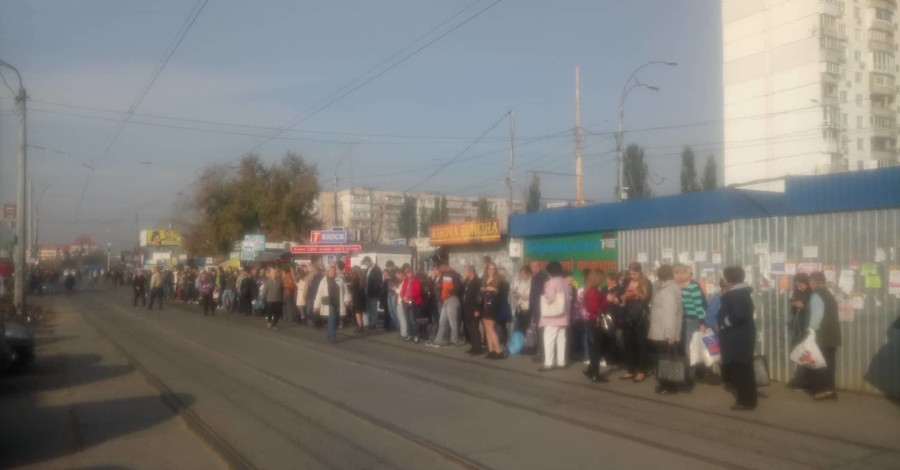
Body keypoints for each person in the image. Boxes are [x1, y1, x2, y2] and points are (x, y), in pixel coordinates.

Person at [718, 266, 757, 411]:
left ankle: (746, 401)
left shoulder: (735, 294)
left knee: (741, 369)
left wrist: (724, 323)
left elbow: (738, 314)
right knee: (743, 368)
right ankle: (748, 399)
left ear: (729, 279)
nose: (723, 279)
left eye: (724, 276)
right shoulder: (740, 292)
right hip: (741, 336)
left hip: (737, 337)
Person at [649, 265, 683, 395]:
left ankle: (669, 385)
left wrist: (670, 334)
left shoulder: (668, 290)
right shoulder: (669, 287)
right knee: (666, 358)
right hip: (665, 331)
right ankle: (666, 382)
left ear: (661, 276)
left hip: (665, 332)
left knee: (666, 359)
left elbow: (670, 313)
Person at [807, 271, 841, 400]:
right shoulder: (828, 294)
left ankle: (822, 390)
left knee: (819, 362)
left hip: (823, 335)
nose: (809, 284)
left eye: (810, 281)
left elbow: (817, 316)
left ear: (815, 282)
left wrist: (810, 329)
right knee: (829, 362)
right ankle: (830, 389)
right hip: (833, 335)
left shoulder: (816, 295)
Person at [674, 264, 706, 386]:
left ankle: (690, 377)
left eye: (676, 273)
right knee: (683, 348)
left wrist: (702, 323)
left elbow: (699, 306)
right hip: (681, 320)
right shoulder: (677, 287)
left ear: (681, 274)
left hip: (692, 321)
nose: (674, 276)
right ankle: (685, 374)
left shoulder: (693, 287)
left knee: (690, 349)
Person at [620, 262, 652, 382]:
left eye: (635, 273)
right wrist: (623, 297)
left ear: (640, 272)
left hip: (640, 316)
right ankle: (630, 369)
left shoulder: (646, 282)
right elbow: (620, 296)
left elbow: (647, 299)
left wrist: (635, 294)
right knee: (628, 343)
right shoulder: (626, 282)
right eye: (630, 273)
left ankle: (642, 370)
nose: (632, 276)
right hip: (627, 315)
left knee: (641, 343)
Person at [538, 261, 570, 371]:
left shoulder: (550, 282)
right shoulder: (565, 282)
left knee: (549, 339)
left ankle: (548, 363)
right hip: (564, 315)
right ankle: (561, 362)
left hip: (552, 316)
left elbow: (550, 298)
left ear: (549, 271)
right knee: (561, 339)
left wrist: (545, 294)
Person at [786, 273, 813, 391]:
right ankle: (799, 378)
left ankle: (804, 380)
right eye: (797, 286)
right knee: (798, 353)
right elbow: (793, 302)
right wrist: (794, 303)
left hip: (806, 327)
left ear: (806, 283)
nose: (799, 288)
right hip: (798, 328)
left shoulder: (811, 293)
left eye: (801, 285)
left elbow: (810, 308)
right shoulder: (797, 293)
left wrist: (802, 306)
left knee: (806, 353)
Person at [583, 269, 609, 383]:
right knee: (596, 348)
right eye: (601, 278)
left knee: (595, 347)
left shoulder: (589, 290)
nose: (602, 280)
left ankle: (591, 369)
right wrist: (607, 300)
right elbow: (596, 309)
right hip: (595, 321)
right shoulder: (593, 291)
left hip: (591, 320)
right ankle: (595, 374)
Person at [431, 260, 463, 348]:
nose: (440, 269)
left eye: (441, 267)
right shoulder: (445, 274)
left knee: (452, 321)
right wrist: (440, 286)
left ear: (446, 266)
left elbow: (458, 287)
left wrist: (449, 292)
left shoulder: (455, 275)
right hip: (445, 300)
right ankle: (438, 339)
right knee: (442, 321)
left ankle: (454, 340)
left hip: (452, 299)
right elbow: (443, 285)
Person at [477, 262, 507, 358]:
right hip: (485, 305)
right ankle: (491, 350)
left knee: (491, 329)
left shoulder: (498, 280)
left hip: (492, 306)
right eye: (490, 269)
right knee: (487, 329)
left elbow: (498, 291)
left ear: (495, 270)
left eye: (493, 269)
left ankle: (498, 350)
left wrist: (490, 289)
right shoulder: (485, 279)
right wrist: (483, 289)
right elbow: (482, 290)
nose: (491, 271)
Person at [313, 265, 343, 343]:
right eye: (331, 271)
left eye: (334, 271)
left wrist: (347, 299)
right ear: (328, 272)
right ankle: (333, 337)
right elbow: (319, 293)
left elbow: (344, 290)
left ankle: (329, 334)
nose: (333, 272)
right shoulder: (323, 281)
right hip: (329, 302)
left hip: (337, 302)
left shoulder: (339, 279)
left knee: (336, 319)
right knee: (332, 319)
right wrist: (316, 305)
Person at [460, 266, 483, 354]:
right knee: (469, 329)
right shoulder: (468, 282)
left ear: (471, 272)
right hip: (467, 308)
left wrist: (477, 309)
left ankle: (478, 349)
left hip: (474, 308)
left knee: (474, 329)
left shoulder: (477, 282)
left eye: (465, 272)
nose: (464, 274)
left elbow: (479, 297)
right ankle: (473, 346)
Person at [528, 260, 548, 359]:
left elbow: (542, 293)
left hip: (542, 309)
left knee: (541, 331)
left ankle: (543, 354)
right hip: (536, 308)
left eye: (537, 266)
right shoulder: (534, 278)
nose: (535, 268)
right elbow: (532, 294)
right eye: (533, 266)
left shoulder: (543, 277)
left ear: (540, 266)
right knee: (538, 331)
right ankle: (540, 352)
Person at [362, 257, 382, 329]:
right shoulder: (368, 269)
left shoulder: (377, 269)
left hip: (373, 293)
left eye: (367, 263)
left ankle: (373, 323)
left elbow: (379, 281)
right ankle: (370, 323)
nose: (366, 265)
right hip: (367, 292)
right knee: (369, 308)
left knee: (373, 309)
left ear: (370, 261)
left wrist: (375, 291)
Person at [512, 266, 532, 334]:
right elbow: (519, 296)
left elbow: (528, 297)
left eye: (523, 274)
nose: (522, 276)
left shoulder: (532, 283)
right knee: (517, 328)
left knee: (525, 328)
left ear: (529, 273)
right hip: (519, 308)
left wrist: (519, 295)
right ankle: (518, 343)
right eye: (521, 274)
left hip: (526, 308)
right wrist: (516, 294)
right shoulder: (521, 283)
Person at [349, 266, 367, 332]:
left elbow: (354, 289)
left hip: (356, 296)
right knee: (360, 311)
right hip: (362, 296)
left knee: (357, 311)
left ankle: (360, 326)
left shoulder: (355, 278)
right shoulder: (362, 278)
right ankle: (361, 324)